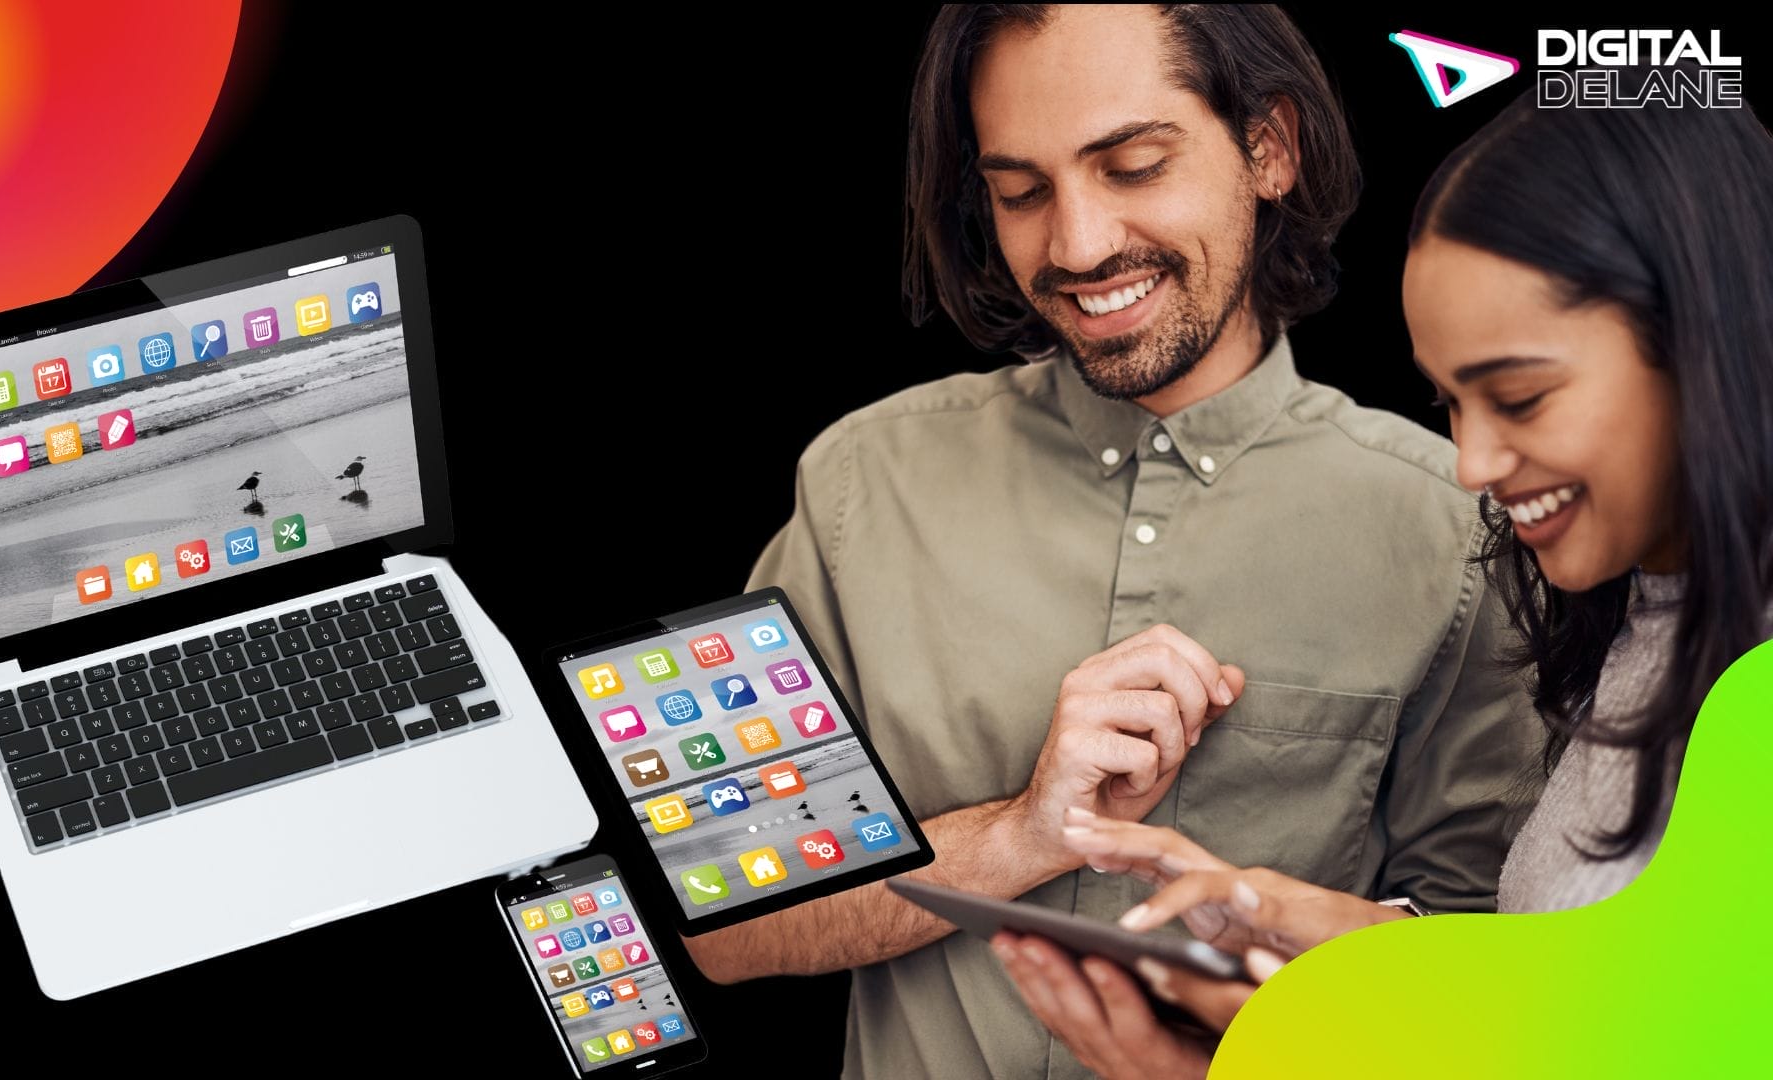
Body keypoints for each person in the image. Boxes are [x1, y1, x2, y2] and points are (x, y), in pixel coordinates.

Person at [684, 6, 1543, 1078]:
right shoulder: (861, 480)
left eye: (1134, 167)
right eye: (1021, 192)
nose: (1079, 246)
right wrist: (1017, 835)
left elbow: (1488, 966)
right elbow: (720, 921)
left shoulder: (1456, 524)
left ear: (1269, 148)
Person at [991, 87, 1773, 1074]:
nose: (1474, 465)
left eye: (1521, 396)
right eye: (1450, 403)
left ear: (1707, 341)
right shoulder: (1643, 624)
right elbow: (1586, 1003)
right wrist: (1330, 932)